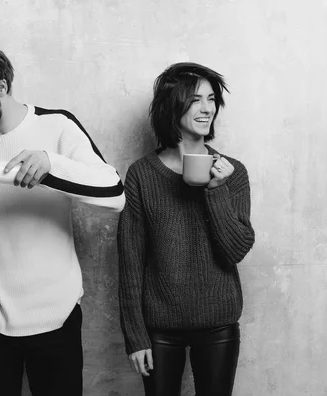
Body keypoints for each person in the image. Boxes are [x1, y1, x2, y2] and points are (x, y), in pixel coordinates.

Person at [0, 39, 125, 396]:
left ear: (2, 87)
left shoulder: (56, 127)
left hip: (58, 313)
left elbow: (115, 194)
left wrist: (52, 166)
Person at [117, 62, 255, 396]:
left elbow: (235, 250)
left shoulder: (232, 172)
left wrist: (216, 190)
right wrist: (136, 337)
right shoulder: (142, 175)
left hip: (219, 323)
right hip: (160, 330)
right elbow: (130, 260)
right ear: (172, 105)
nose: (208, 108)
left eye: (211, 99)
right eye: (196, 100)